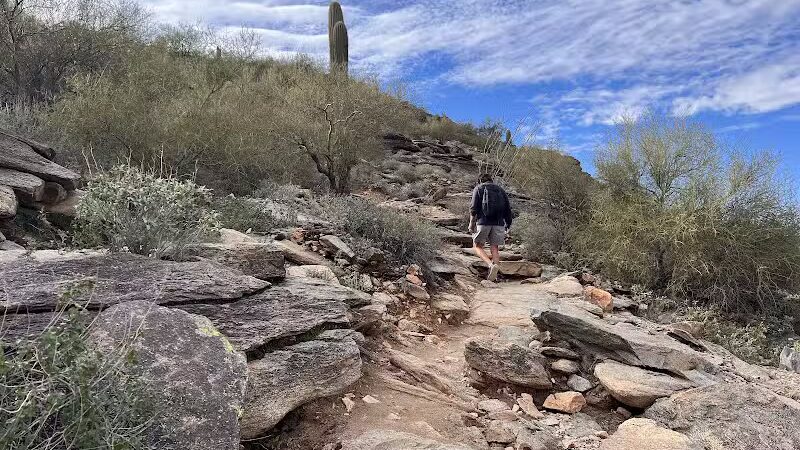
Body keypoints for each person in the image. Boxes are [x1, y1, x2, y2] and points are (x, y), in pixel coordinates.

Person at [468, 173, 513, 282]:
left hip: (483, 222)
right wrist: (508, 224)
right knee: (494, 248)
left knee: (478, 246)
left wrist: (471, 224)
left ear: (480, 181)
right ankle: (495, 276)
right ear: (491, 180)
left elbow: (473, 209)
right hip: (498, 223)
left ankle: (490, 265)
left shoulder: (478, 188)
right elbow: (508, 208)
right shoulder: (500, 190)